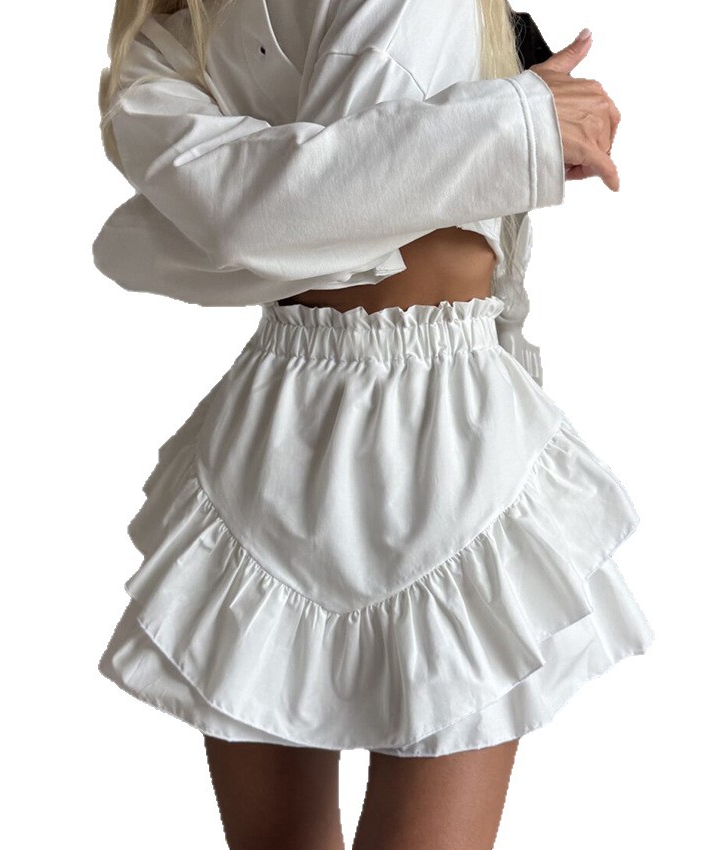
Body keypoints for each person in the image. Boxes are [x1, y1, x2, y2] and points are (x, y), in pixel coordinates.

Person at [93, 2, 655, 847]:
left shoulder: (175, 47)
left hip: (424, 430)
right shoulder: (168, 35)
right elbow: (274, 215)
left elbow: (280, 209)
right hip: (306, 430)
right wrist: (507, 130)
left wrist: (293, 190)